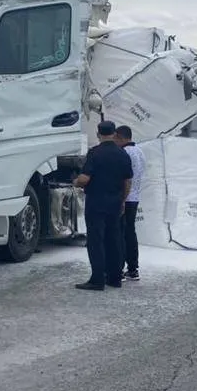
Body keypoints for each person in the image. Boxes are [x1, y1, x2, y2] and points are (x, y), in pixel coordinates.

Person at [73, 120, 134, 290]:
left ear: (98, 134)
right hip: (115, 203)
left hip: (96, 203)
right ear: (114, 134)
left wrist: (76, 182)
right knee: (114, 239)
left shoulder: (95, 153)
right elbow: (128, 181)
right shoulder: (123, 154)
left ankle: (97, 279)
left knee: (96, 240)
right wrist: (122, 200)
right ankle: (115, 278)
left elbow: (85, 179)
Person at [114, 125, 145, 281]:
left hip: (124, 198)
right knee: (130, 233)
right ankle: (133, 269)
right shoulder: (139, 151)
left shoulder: (124, 153)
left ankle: (118, 269)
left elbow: (123, 178)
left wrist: (121, 199)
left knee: (120, 234)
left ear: (120, 137)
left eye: (115, 138)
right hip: (135, 197)